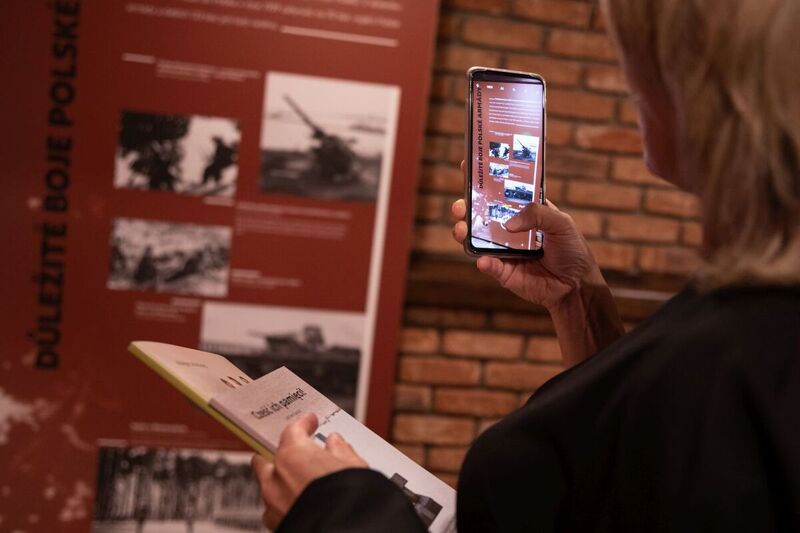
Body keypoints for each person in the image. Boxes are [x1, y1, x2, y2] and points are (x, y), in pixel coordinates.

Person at [251, 0, 800, 530]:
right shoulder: (750, 321)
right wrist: (579, 301)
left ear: (697, 79)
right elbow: (636, 467)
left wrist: (336, 512)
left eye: (635, 42)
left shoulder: (744, 360)